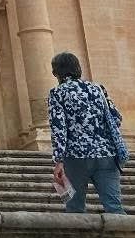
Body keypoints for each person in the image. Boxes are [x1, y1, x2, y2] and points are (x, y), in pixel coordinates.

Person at [48, 51, 128, 214]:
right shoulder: (98, 89)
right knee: (114, 207)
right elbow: (116, 118)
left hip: (75, 157)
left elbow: (59, 129)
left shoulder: (57, 93)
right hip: (106, 155)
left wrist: (58, 161)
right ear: (77, 68)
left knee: (74, 208)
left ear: (56, 72)